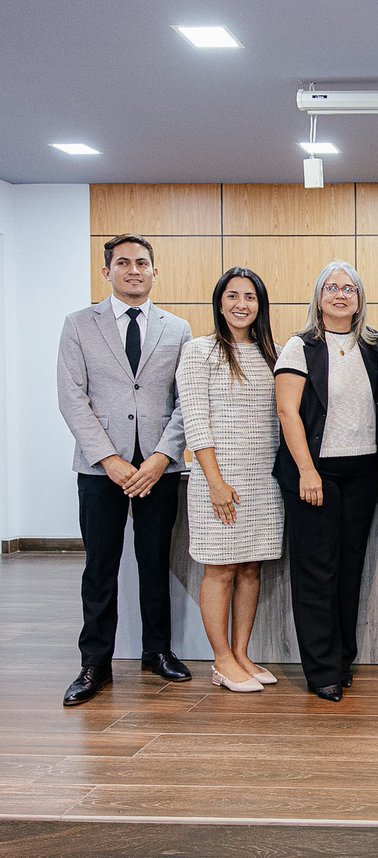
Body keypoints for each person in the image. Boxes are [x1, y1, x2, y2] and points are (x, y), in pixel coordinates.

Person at [57, 234, 193, 706]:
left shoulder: (177, 328)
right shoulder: (79, 324)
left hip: (158, 468)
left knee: (155, 562)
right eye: (123, 263)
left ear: (155, 271)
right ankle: (95, 663)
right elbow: (72, 398)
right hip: (100, 471)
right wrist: (110, 459)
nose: (133, 270)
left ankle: (158, 651)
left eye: (141, 263)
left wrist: (161, 457)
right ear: (107, 271)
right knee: (100, 567)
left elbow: (186, 401)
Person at [274, 261, 378, 703]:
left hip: (363, 471)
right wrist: (306, 470)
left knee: (349, 569)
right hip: (315, 472)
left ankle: (342, 660)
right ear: (319, 297)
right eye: (332, 288)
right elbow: (288, 412)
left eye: (349, 289)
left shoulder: (372, 344)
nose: (341, 295)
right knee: (316, 571)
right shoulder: (300, 346)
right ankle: (321, 671)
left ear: (359, 299)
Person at [177, 267, 282, 693]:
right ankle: (221, 660)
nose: (242, 304)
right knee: (220, 568)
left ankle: (241, 654)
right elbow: (195, 422)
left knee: (252, 567)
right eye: (233, 296)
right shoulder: (199, 351)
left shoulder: (272, 353)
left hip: (263, 480)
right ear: (220, 303)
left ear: (260, 305)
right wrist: (216, 482)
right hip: (217, 479)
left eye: (250, 297)